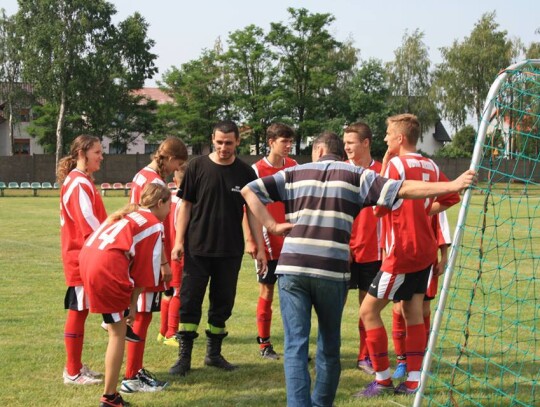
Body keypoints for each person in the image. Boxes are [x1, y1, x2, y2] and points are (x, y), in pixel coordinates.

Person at [241, 131, 475, 407]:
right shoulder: (356, 175)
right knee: (329, 345)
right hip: (332, 270)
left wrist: (272, 226)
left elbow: (248, 191)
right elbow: (404, 189)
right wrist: (452, 185)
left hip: (293, 269)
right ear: (341, 154)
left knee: (295, 346)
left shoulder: (293, 173)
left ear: (317, 151)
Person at [356, 113, 460, 398]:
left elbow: (378, 206)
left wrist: (388, 161)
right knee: (413, 312)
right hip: (425, 251)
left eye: (389, 134)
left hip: (401, 251)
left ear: (400, 138)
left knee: (368, 311)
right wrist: (426, 210)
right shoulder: (430, 163)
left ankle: (383, 380)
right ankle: (414, 380)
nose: (386, 138)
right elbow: (452, 196)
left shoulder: (397, 165)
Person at [169, 120, 266, 377]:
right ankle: (184, 358)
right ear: (213, 139)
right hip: (197, 249)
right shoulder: (197, 167)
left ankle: (213, 354)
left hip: (230, 251)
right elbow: (185, 206)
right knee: (190, 302)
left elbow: (254, 213)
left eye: (229, 143)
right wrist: (179, 241)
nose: (224, 147)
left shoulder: (246, 173)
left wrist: (258, 244)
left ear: (237, 142)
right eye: (220, 142)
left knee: (222, 304)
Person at [80, 183, 172, 407]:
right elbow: (143, 274)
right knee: (117, 334)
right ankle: (110, 397)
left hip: (88, 260)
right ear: (160, 203)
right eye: (169, 205)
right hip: (107, 268)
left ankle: (114, 319)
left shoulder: (129, 214)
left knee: (116, 325)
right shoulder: (153, 224)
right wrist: (132, 306)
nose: (169, 211)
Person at [121, 136, 188, 393]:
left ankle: (134, 371)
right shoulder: (156, 182)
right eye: (177, 164)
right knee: (141, 314)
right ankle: (132, 375)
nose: (176, 170)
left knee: (139, 313)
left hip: (139, 249)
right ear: (170, 159)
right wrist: (163, 262)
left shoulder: (141, 175)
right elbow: (155, 225)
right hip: (147, 253)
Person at [57, 134, 107, 385]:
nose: (101, 156)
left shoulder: (82, 180)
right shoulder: (78, 183)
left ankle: (75, 367)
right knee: (78, 311)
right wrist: (110, 245)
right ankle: (72, 372)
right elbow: (89, 224)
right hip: (81, 256)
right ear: (82, 154)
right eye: (97, 152)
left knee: (82, 310)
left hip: (83, 255)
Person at [249, 123, 297, 360]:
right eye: (284, 141)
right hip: (267, 241)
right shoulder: (256, 170)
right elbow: (247, 209)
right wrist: (252, 242)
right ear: (271, 142)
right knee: (267, 290)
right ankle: (264, 344)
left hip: (291, 240)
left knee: (293, 293)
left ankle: (293, 346)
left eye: (290, 141)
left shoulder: (295, 167)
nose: (288, 146)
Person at [390, 210, 452, 380]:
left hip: (426, 261)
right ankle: (401, 361)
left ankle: (420, 361)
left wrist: (444, 257)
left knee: (423, 310)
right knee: (399, 309)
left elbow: (442, 228)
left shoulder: (433, 196)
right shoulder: (401, 191)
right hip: (399, 259)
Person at [343, 122, 382, 375]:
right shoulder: (339, 171)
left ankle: (363, 356)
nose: (346, 147)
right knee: (332, 304)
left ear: (366, 143)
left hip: (372, 251)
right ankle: (328, 353)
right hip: (342, 250)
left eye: (351, 142)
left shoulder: (381, 171)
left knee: (366, 307)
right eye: (344, 143)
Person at [162, 165, 187, 346]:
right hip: (178, 253)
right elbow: (181, 229)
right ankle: (172, 333)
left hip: (164, 250)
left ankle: (162, 331)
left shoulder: (166, 198)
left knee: (168, 291)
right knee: (178, 292)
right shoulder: (184, 201)